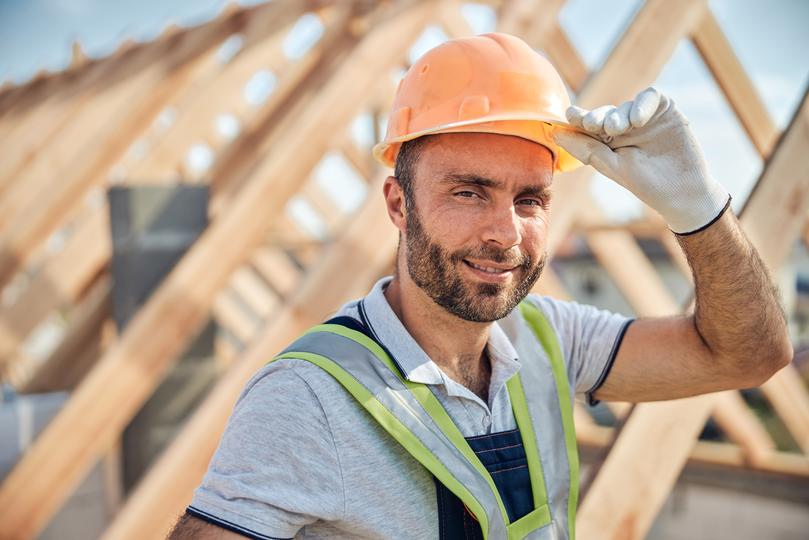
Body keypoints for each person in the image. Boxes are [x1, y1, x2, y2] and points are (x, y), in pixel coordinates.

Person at [168, 33, 790, 540]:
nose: (506, 235)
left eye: (530, 200)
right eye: (469, 192)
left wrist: (700, 212)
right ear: (398, 204)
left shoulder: (550, 337)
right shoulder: (308, 399)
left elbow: (748, 354)